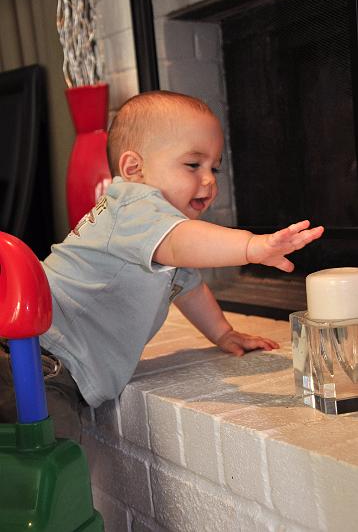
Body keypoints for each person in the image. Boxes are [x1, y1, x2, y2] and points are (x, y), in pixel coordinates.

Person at [0, 91, 324, 441]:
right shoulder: (135, 205)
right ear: (133, 169)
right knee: (49, 469)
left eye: (214, 167)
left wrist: (222, 333)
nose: (210, 179)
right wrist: (251, 246)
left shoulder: (151, 237)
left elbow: (189, 287)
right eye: (193, 165)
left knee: (42, 469)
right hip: (36, 364)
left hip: (37, 358)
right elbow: (181, 241)